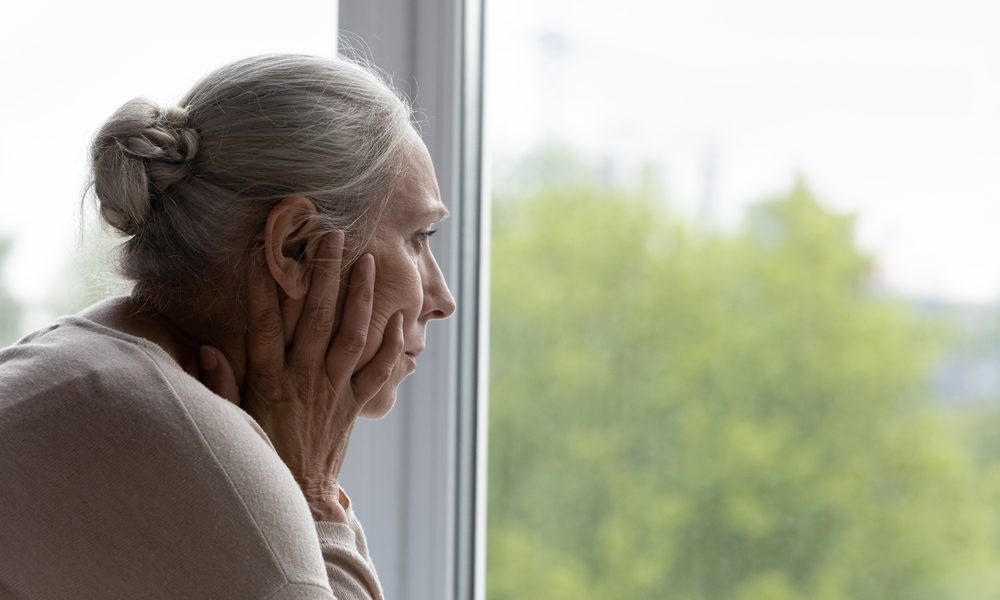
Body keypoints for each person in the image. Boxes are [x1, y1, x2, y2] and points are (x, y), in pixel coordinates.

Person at [0, 54, 455, 599]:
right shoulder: (178, 446)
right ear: (296, 247)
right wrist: (313, 495)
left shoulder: (80, 370)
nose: (442, 298)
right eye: (419, 237)